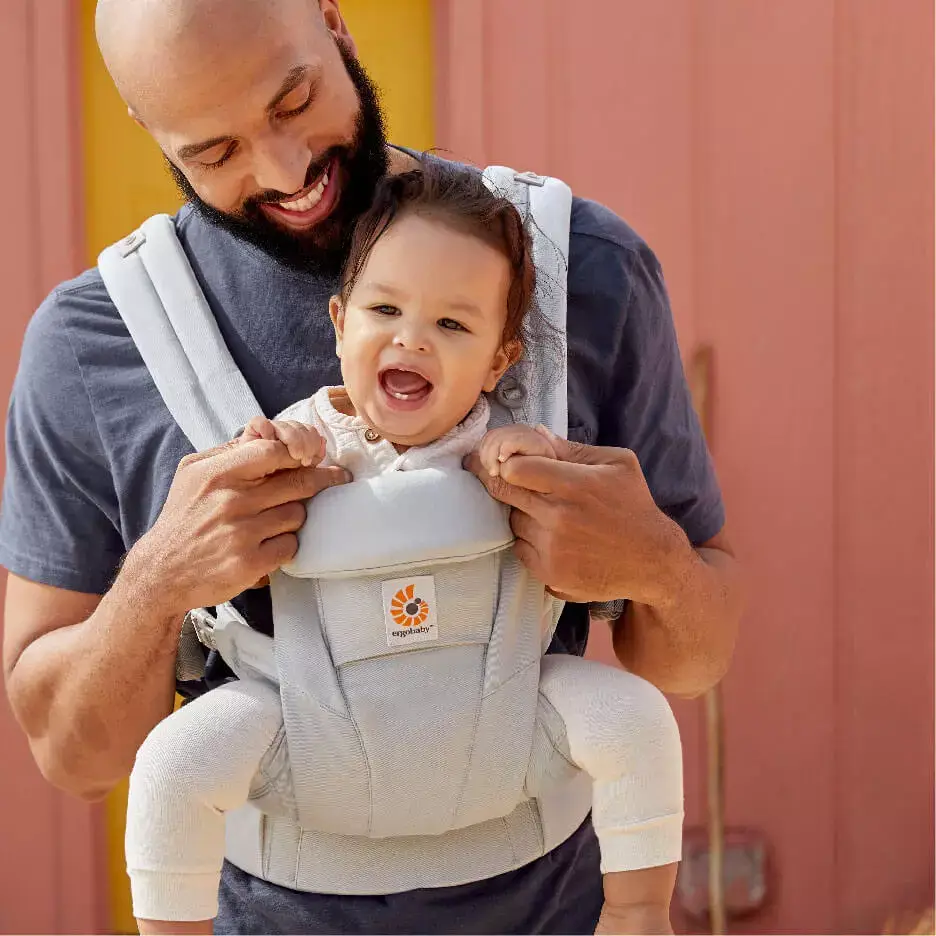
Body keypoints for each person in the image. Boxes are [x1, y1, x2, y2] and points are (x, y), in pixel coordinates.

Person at [0, 1, 742, 933]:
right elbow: (75, 757)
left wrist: (654, 565)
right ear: (149, 133)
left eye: (293, 100)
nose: (285, 172)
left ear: (332, 18)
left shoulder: (576, 268)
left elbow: (697, 656)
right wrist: (160, 581)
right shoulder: (93, 345)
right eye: (215, 154)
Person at [126, 163, 685, 936]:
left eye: (453, 325)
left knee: (635, 718)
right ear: (338, 322)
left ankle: (638, 913)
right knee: (173, 764)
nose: (411, 337)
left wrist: (533, 467)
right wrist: (267, 456)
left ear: (498, 361)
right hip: (311, 734)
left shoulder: (508, 448)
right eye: (384, 308)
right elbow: (239, 501)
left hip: (507, 723)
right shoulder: (302, 439)